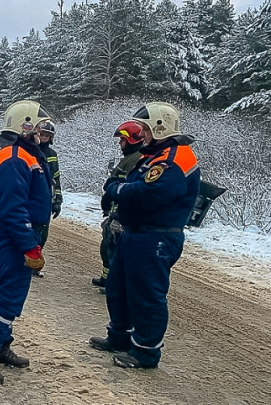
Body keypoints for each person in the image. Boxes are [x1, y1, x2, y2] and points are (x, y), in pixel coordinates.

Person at [90, 102, 201, 369]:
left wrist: (118, 189)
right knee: (118, 288)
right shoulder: (154, 155)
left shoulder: (174, 159)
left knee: (147, 294)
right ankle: (119, 337)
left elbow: (145, 193)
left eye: (146, 128)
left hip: (156, 237)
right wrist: (121, 187)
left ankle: (146, 351)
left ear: (160, 127)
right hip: (136, 233)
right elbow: (128, 184)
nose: (143, 133)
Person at [0, 100, 54, 385]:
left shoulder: (26, 154)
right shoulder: (15, 157)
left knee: (13, 292)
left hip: (20, 233)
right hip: (14, 234)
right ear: (25, 126)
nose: (42, 133)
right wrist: (28, 245)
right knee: (9, 293)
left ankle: (2, 343)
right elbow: (13, 208)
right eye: (38, 127)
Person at [91, 121, 145, 291]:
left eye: (122, 140)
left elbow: (129, 189)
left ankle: (116, 284)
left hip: (122, 214)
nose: (120, 143)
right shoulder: (128, 159)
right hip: (116, 212)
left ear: (132, 140)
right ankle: (108, 278)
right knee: (107, 246)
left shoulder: (136, 159)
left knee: (116, 249)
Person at [31, 121, 63, 277]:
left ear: (51, 137)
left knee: (43, 234)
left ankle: (36, 264)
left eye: (46, 135)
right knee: (31, 231)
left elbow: (56, 177)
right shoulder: (31, 151)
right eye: (41, 134)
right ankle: (27, 262)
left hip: (47, 197)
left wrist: (58, 199)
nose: (43, 137)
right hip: (33, 196)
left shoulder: (52, 154)